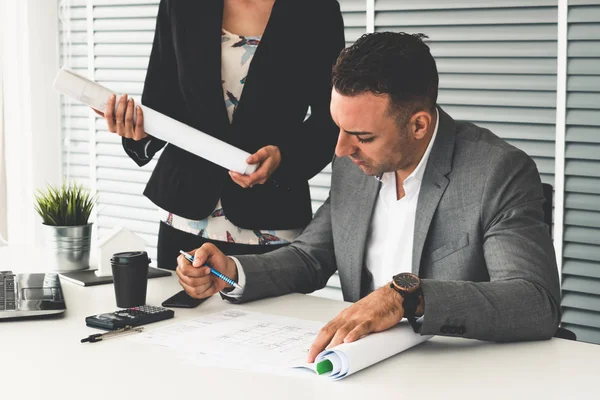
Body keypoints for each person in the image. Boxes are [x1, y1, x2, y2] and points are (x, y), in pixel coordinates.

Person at [175, 32, 561, 362]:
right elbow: (311, 255)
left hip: (456, 369)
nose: (342, 149)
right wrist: (231, 271)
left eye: (362, 136)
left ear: (418, 125)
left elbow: (535, 301)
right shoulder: (353, 163)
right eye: (338, 127)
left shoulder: (497, 172)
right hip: (362, 364)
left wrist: (408, 298)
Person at [95, 0, 345, 269]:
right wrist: (134, 130)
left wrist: (283, 157)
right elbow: (162, 102)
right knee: (182, 311)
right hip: (184, 213)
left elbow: (332, 118)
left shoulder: (316, 8)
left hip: (269, 213)